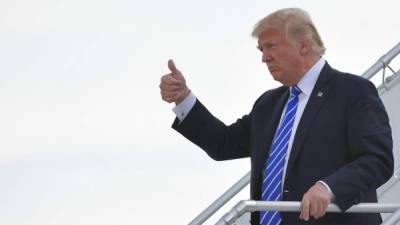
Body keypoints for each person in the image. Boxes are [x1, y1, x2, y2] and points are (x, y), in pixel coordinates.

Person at [159, 8, 394, 225]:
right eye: (262, 50)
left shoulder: (353, 91)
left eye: (271, 46)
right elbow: (223, 144)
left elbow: (377, 160)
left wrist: (328, 188)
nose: (264, 57)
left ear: (303, 45)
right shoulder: (268, 104)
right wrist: (184, 99)